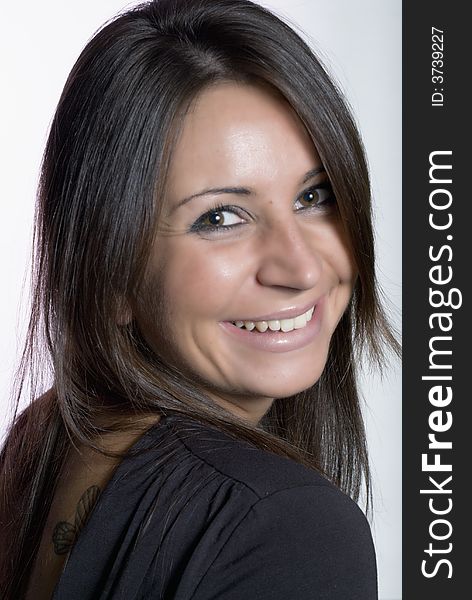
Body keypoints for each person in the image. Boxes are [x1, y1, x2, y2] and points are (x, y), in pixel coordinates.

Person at [0, 0, 399, 598]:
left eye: (315, 197)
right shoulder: (284, 526)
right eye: (221, 216)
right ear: (111, 269)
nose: (302, 267)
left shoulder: (47, 436)